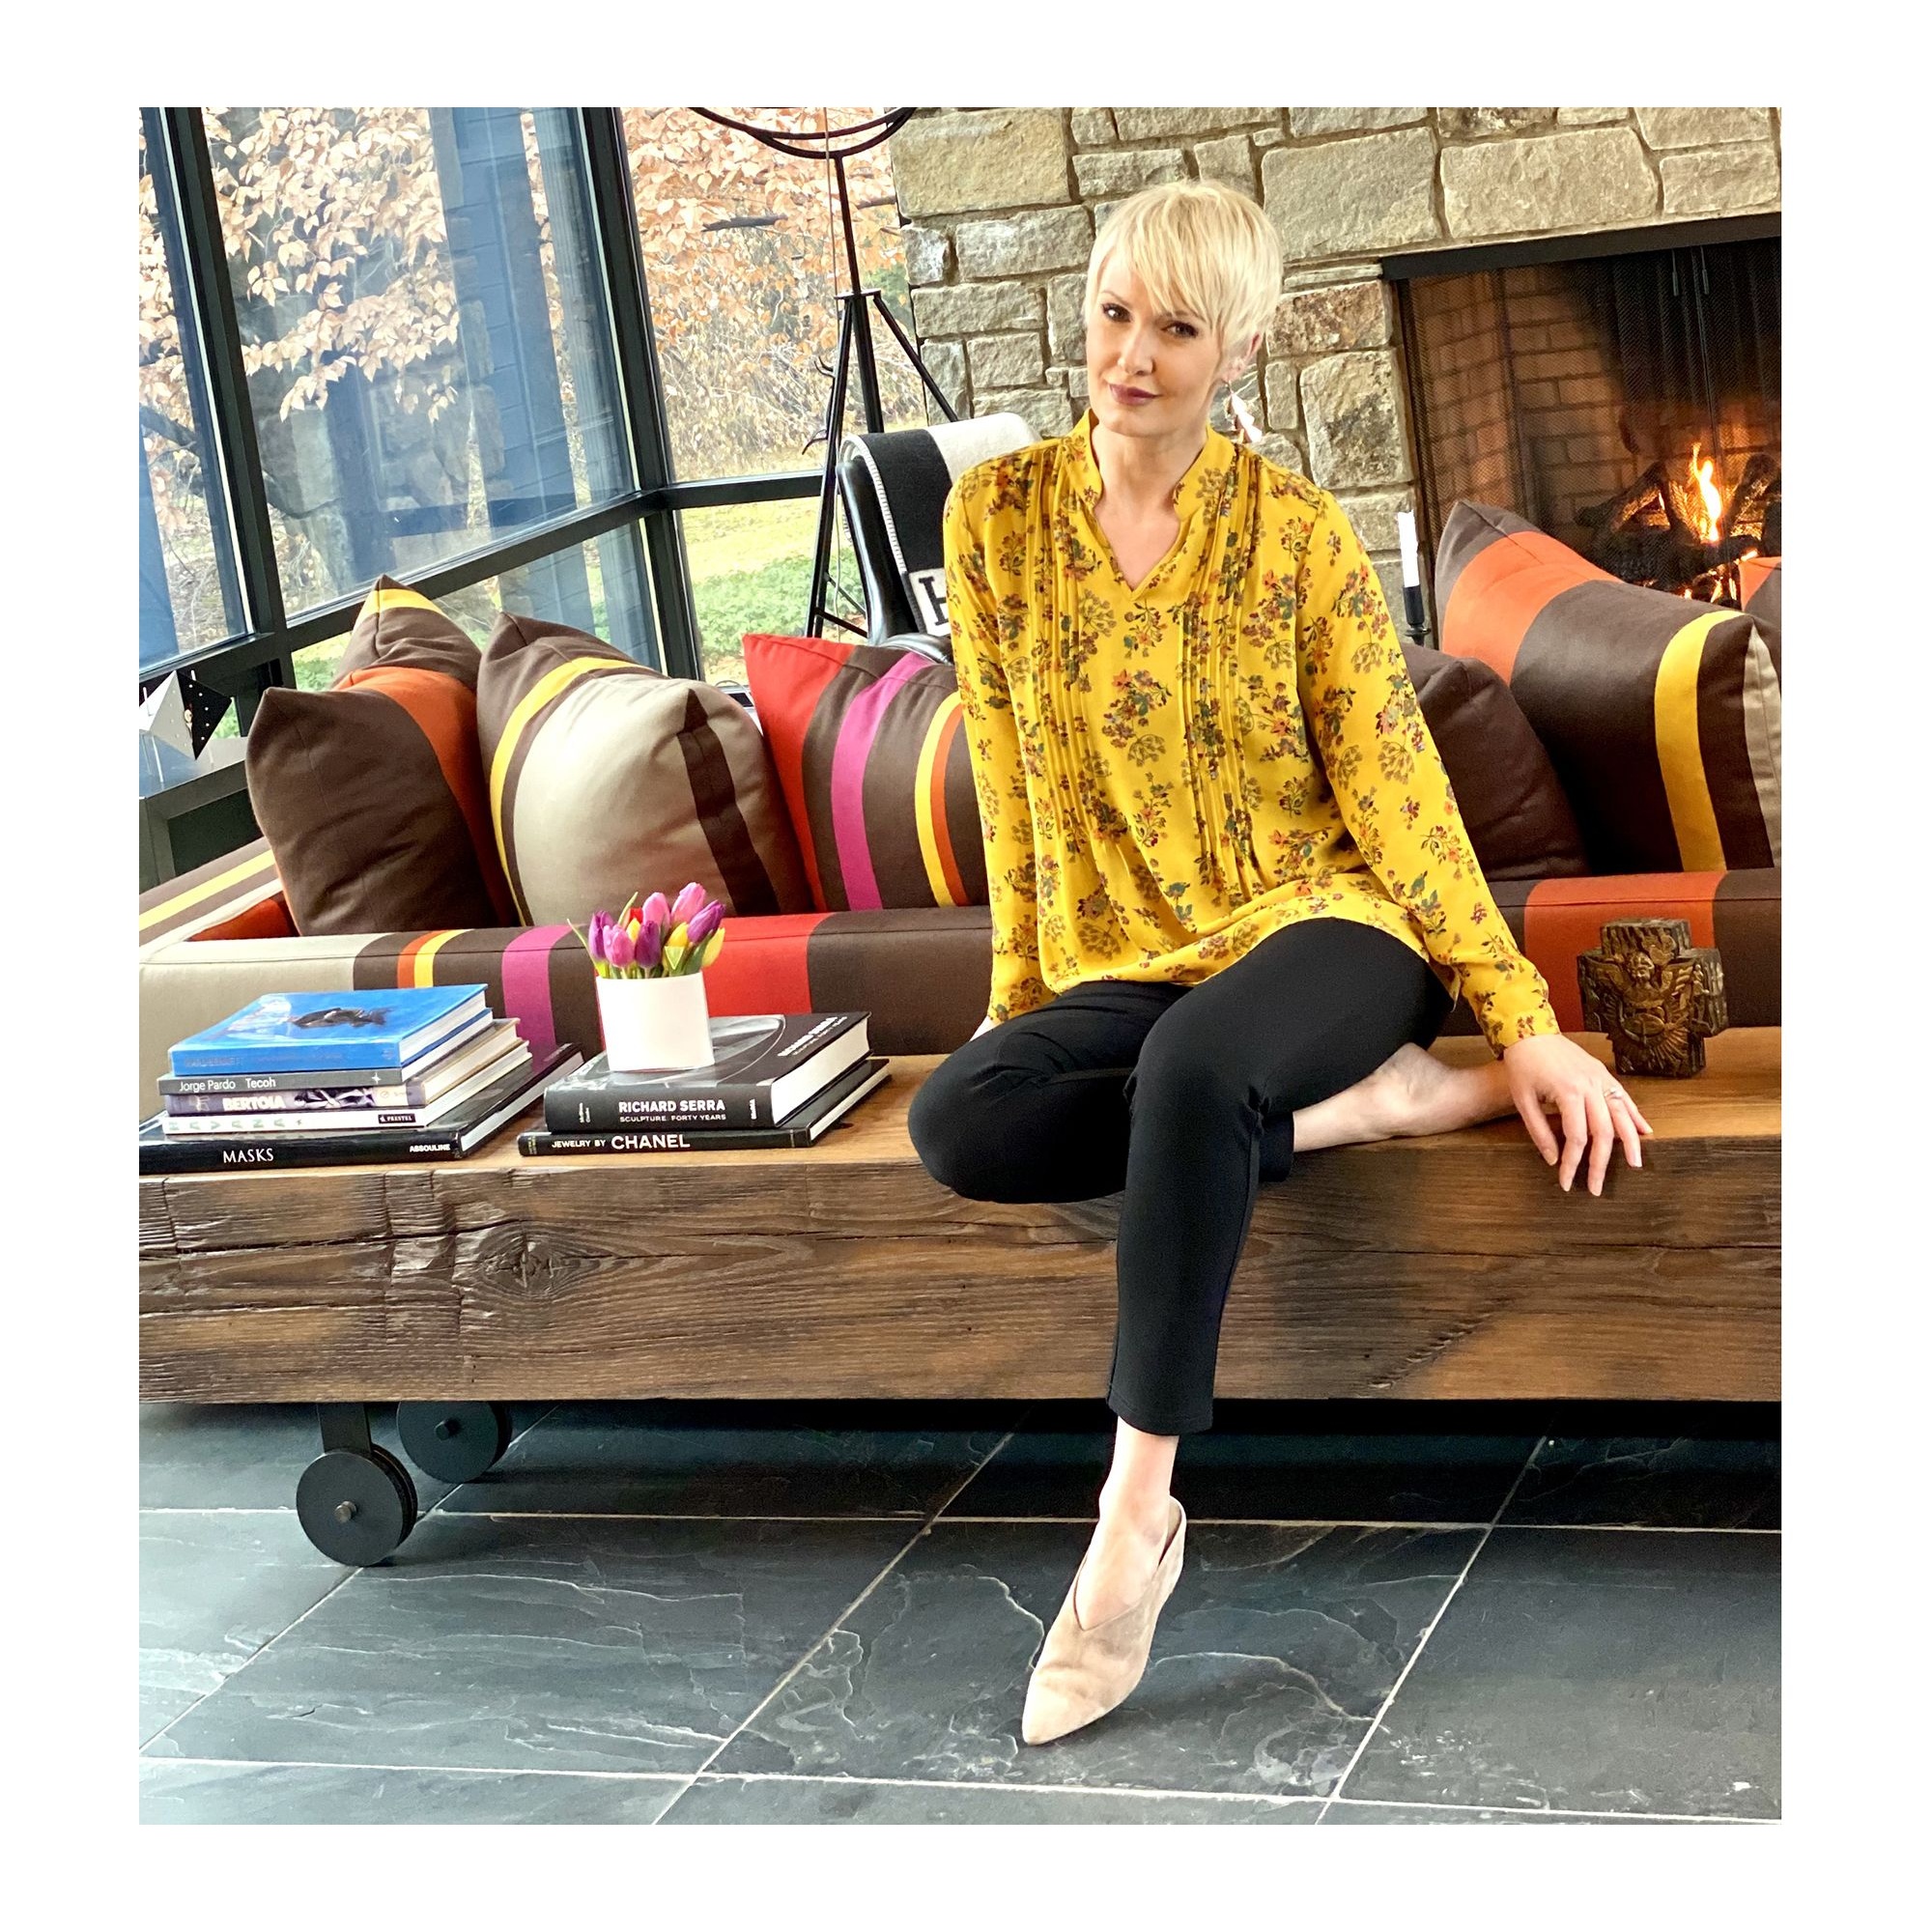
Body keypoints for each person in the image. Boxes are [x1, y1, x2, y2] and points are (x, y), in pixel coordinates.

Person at [905, 178, 1653, 1747]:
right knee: (961, 1120)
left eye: (1176, 329)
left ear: (1240, 348)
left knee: (1194, 1070)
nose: (1132, 356)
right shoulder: (997, 523)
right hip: (1133, 956)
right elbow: (1012, 789)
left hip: (1332, 928)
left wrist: (1519, 1019)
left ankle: (1132, 1522)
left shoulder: (1296, 534)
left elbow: (1400, 793)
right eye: (1115, 313)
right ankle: (1377, 1108)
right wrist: (1017, 1012)